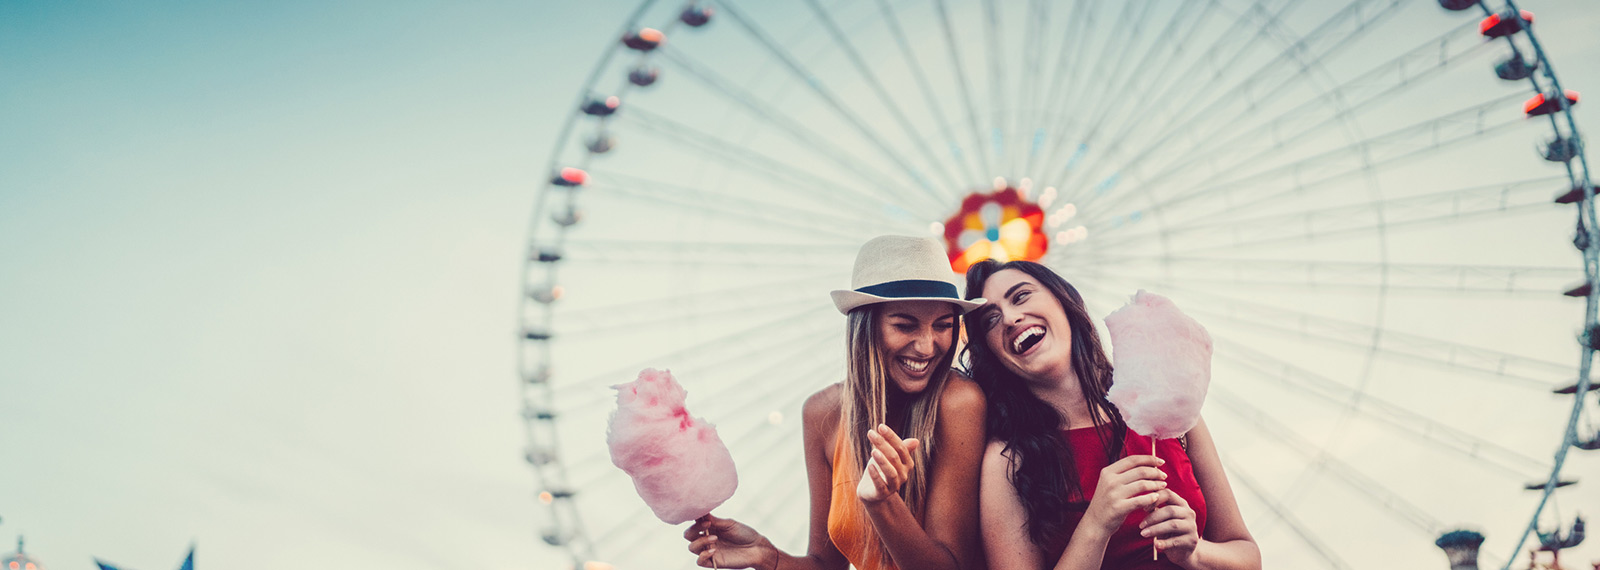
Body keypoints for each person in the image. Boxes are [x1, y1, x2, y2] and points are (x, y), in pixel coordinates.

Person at [683, 235, 988, 570]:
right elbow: (827, 564)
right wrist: (768, 557)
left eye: (943, 326)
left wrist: (884, 504)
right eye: (905, 325)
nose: (928, 347)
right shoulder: (821, 413)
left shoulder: (959, 402)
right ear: (865, 326)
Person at [963, 259, 1260, 570]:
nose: (1009, 318)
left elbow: (1247, 556)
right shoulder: (1007, 460)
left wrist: (1195, 553)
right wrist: (1097, 523)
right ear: (991, 351)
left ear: (1064, 302)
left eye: (1021, 296)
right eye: (991, 320)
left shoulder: (1162, 401)